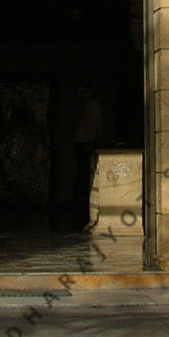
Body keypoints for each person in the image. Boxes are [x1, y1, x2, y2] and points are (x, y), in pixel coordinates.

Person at [72, 82, 103, 230]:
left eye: (83, 93)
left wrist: (91, 143)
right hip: (82, 144)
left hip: (87, 145)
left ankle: (86, 214)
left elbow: (94, 127)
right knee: (82, 178)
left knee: (86, 179)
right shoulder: (84, 107)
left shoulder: (92, 107)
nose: (81, 96)